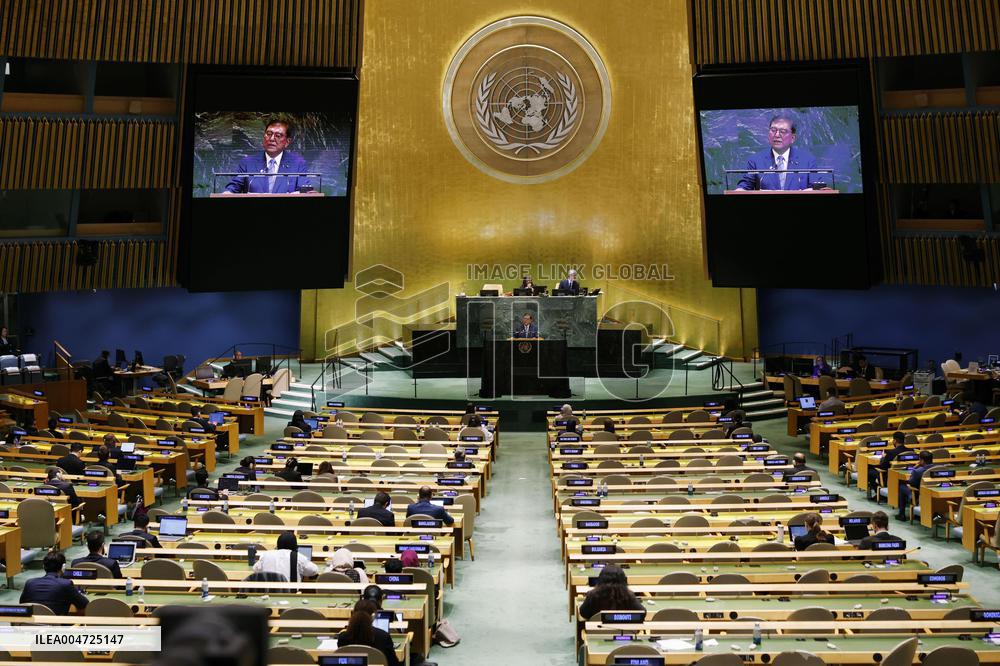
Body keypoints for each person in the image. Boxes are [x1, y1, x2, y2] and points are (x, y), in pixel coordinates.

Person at [224, 117, 311, 194]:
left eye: (278, 135)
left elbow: (304, 191)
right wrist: (228, 193)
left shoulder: (298, 163)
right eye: (269, 134)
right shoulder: (247, 163)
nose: (272, 139)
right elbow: (232, 188)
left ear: (287, 142)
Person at [736, 114, 822, 191]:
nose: (777, 135)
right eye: (773, 130)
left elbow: (817, 187)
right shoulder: (755, 161)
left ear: (792, 138)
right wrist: (740, 190)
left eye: (782, 131)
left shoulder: (807, 160)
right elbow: (744, 186)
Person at [336, 599, 402, 666]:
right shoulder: (383, 637)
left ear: (353, 614)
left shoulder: (342, 637)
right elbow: (393, 663)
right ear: (373, 616)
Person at [20, 550, 89, 614]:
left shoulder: (29, 583)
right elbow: (84, 604)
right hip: (56, 623)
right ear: (63, 567)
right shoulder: (66, 584)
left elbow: (22, 604)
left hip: (34, 622)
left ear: (44, 566)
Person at [577, 564, 643, 619]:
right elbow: (642, 613)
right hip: (624, 630)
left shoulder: (592, 595)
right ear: (623, 579)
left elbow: (583, 614)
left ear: (601, 579)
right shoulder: (629, 596)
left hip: (597, 630)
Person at [252, 531, 318, 582]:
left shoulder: (265, 555)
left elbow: (255, 569)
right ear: (295, 547)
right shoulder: (299, 557)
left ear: (277, 545)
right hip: (290, 594)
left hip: (268, 593)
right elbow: (314, 571)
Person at [897, 449, 934, 521]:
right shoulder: (937, 468)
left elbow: (911, 482)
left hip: (918, 495)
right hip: (931, 494)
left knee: (902, 486)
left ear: (922, 460)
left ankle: (901, 514)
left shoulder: (918, 471)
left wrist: (915, 467)